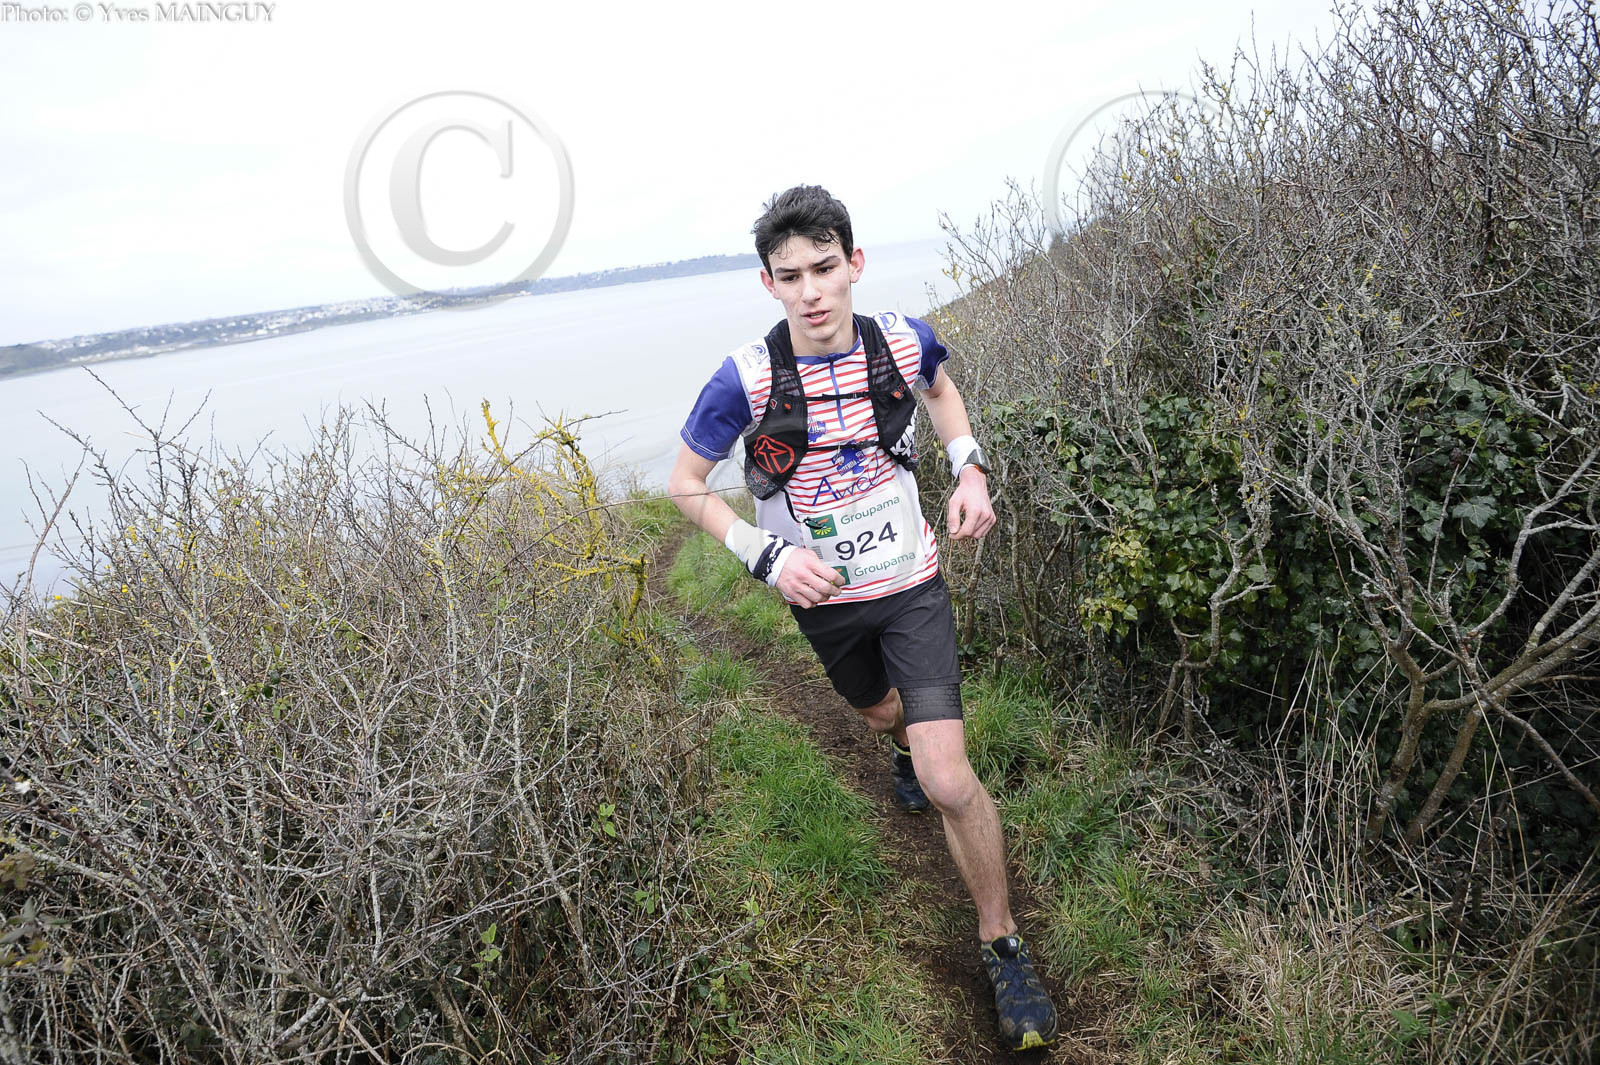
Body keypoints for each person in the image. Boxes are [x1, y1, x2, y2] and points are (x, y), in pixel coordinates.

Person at [666, 185, 1058, 1051]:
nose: (811, 291)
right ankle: (899, 744)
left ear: (855, 264)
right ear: (768, 283)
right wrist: (766, 556)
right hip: (825, 601)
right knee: (882, 713)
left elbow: (942, 390)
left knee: (949, 777)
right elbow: (685, 485)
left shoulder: (901, 340)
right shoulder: (746, 378)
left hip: (912, 582)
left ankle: (1003, 945)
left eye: (825, 268)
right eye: (790, 276)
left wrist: (970, 470)